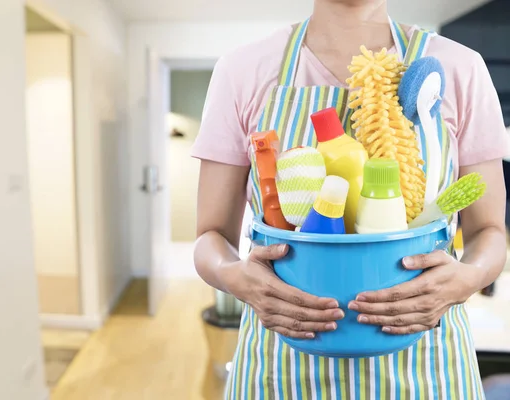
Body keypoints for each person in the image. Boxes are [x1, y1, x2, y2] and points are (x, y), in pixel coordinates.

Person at [191, 0, 509, 398]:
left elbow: (490, 231)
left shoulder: (460, 68)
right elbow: (210, 237)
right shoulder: (242, 70)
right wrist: (234, 277)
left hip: (425, 369)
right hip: (283, 367)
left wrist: (468, 278)